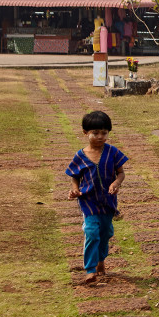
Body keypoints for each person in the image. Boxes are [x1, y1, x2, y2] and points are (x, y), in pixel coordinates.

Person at [65, 111, 128, 286]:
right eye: (95, 133)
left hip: (108, 202)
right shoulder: (80, 156)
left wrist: (116, 183)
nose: (100, 137)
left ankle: (101, 259)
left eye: (104, 133)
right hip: (88, 202)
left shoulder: (113, 152)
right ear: (85, 133)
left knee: (106, 233)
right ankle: (90, 270)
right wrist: (75, 190)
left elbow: (121, 173)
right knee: (91, 232)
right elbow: (74, 176)